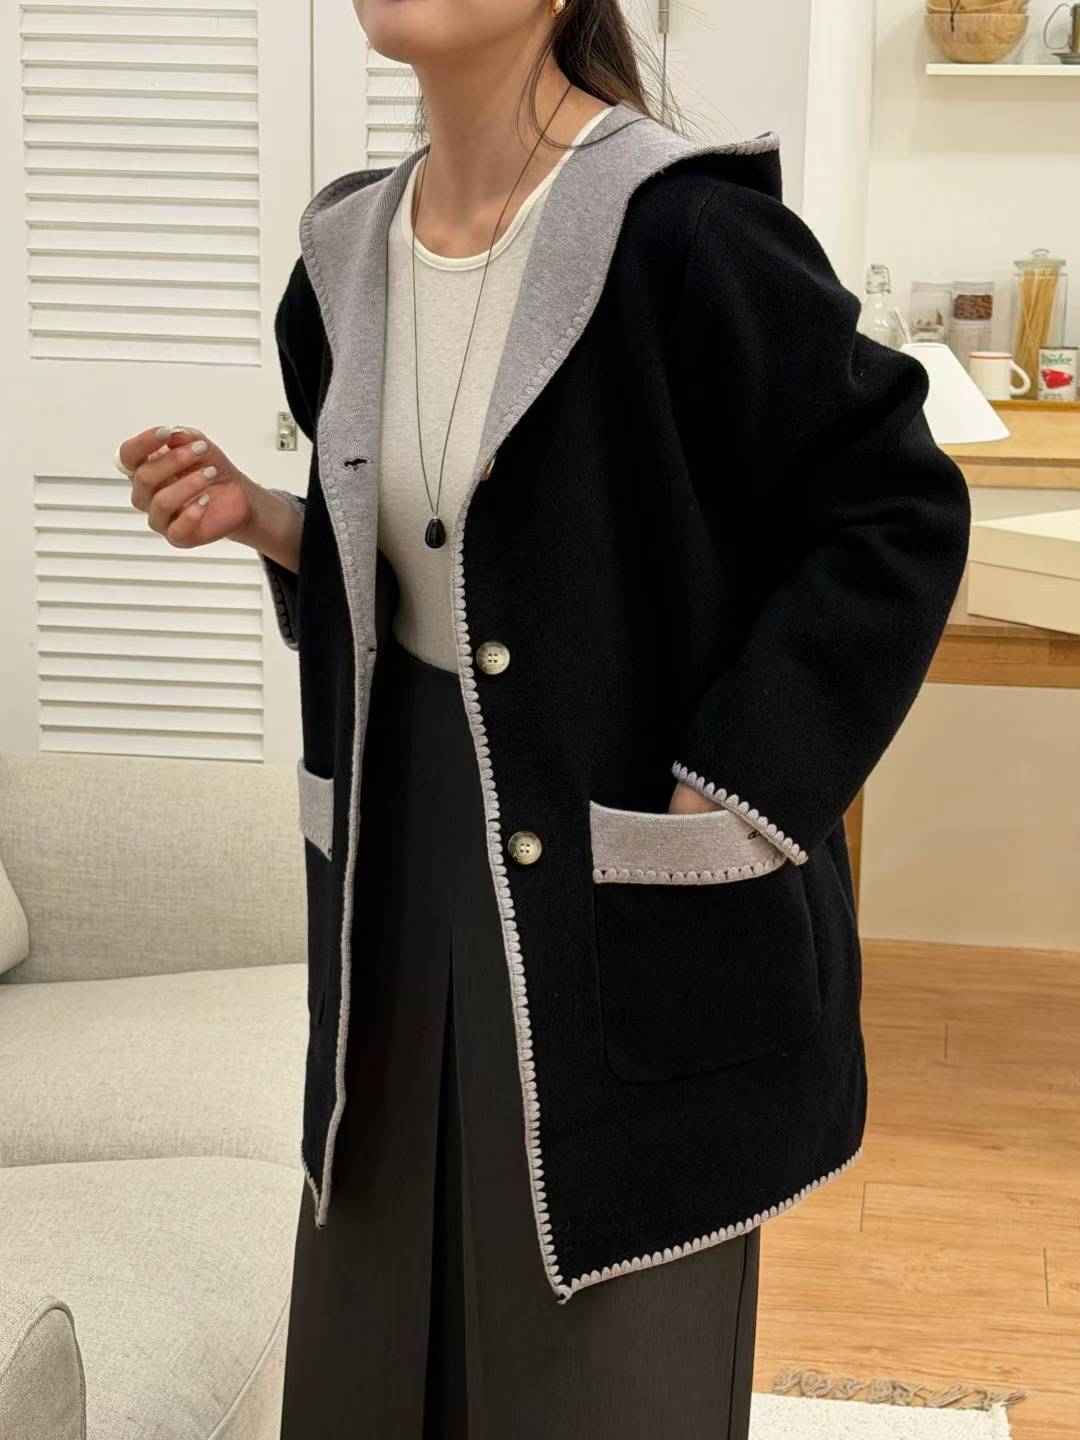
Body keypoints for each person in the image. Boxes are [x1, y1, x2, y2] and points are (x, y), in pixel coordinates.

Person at [115, 1, 971, 1434]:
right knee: (375, 1326)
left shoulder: (689, 235)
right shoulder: (343, 261)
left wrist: (739, 783)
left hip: (614, 857)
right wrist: (272, 523)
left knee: (606, 1351)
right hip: (397, 860)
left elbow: (895, 512)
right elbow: (445, 563)